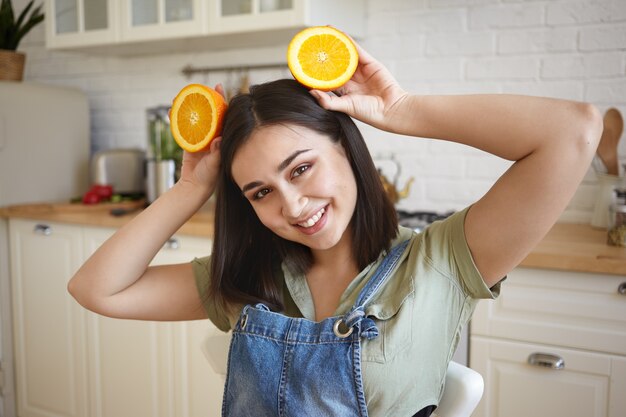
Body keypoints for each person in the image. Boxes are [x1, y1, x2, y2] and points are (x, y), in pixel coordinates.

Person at [68, 41, 602, 417]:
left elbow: (575, 130)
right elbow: (96, 289)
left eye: (301, 168)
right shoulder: (247, 278)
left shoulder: (440, 262)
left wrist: (404, 109)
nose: (294, 205)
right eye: (260, 192)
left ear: (347, 148)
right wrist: (191, 189)